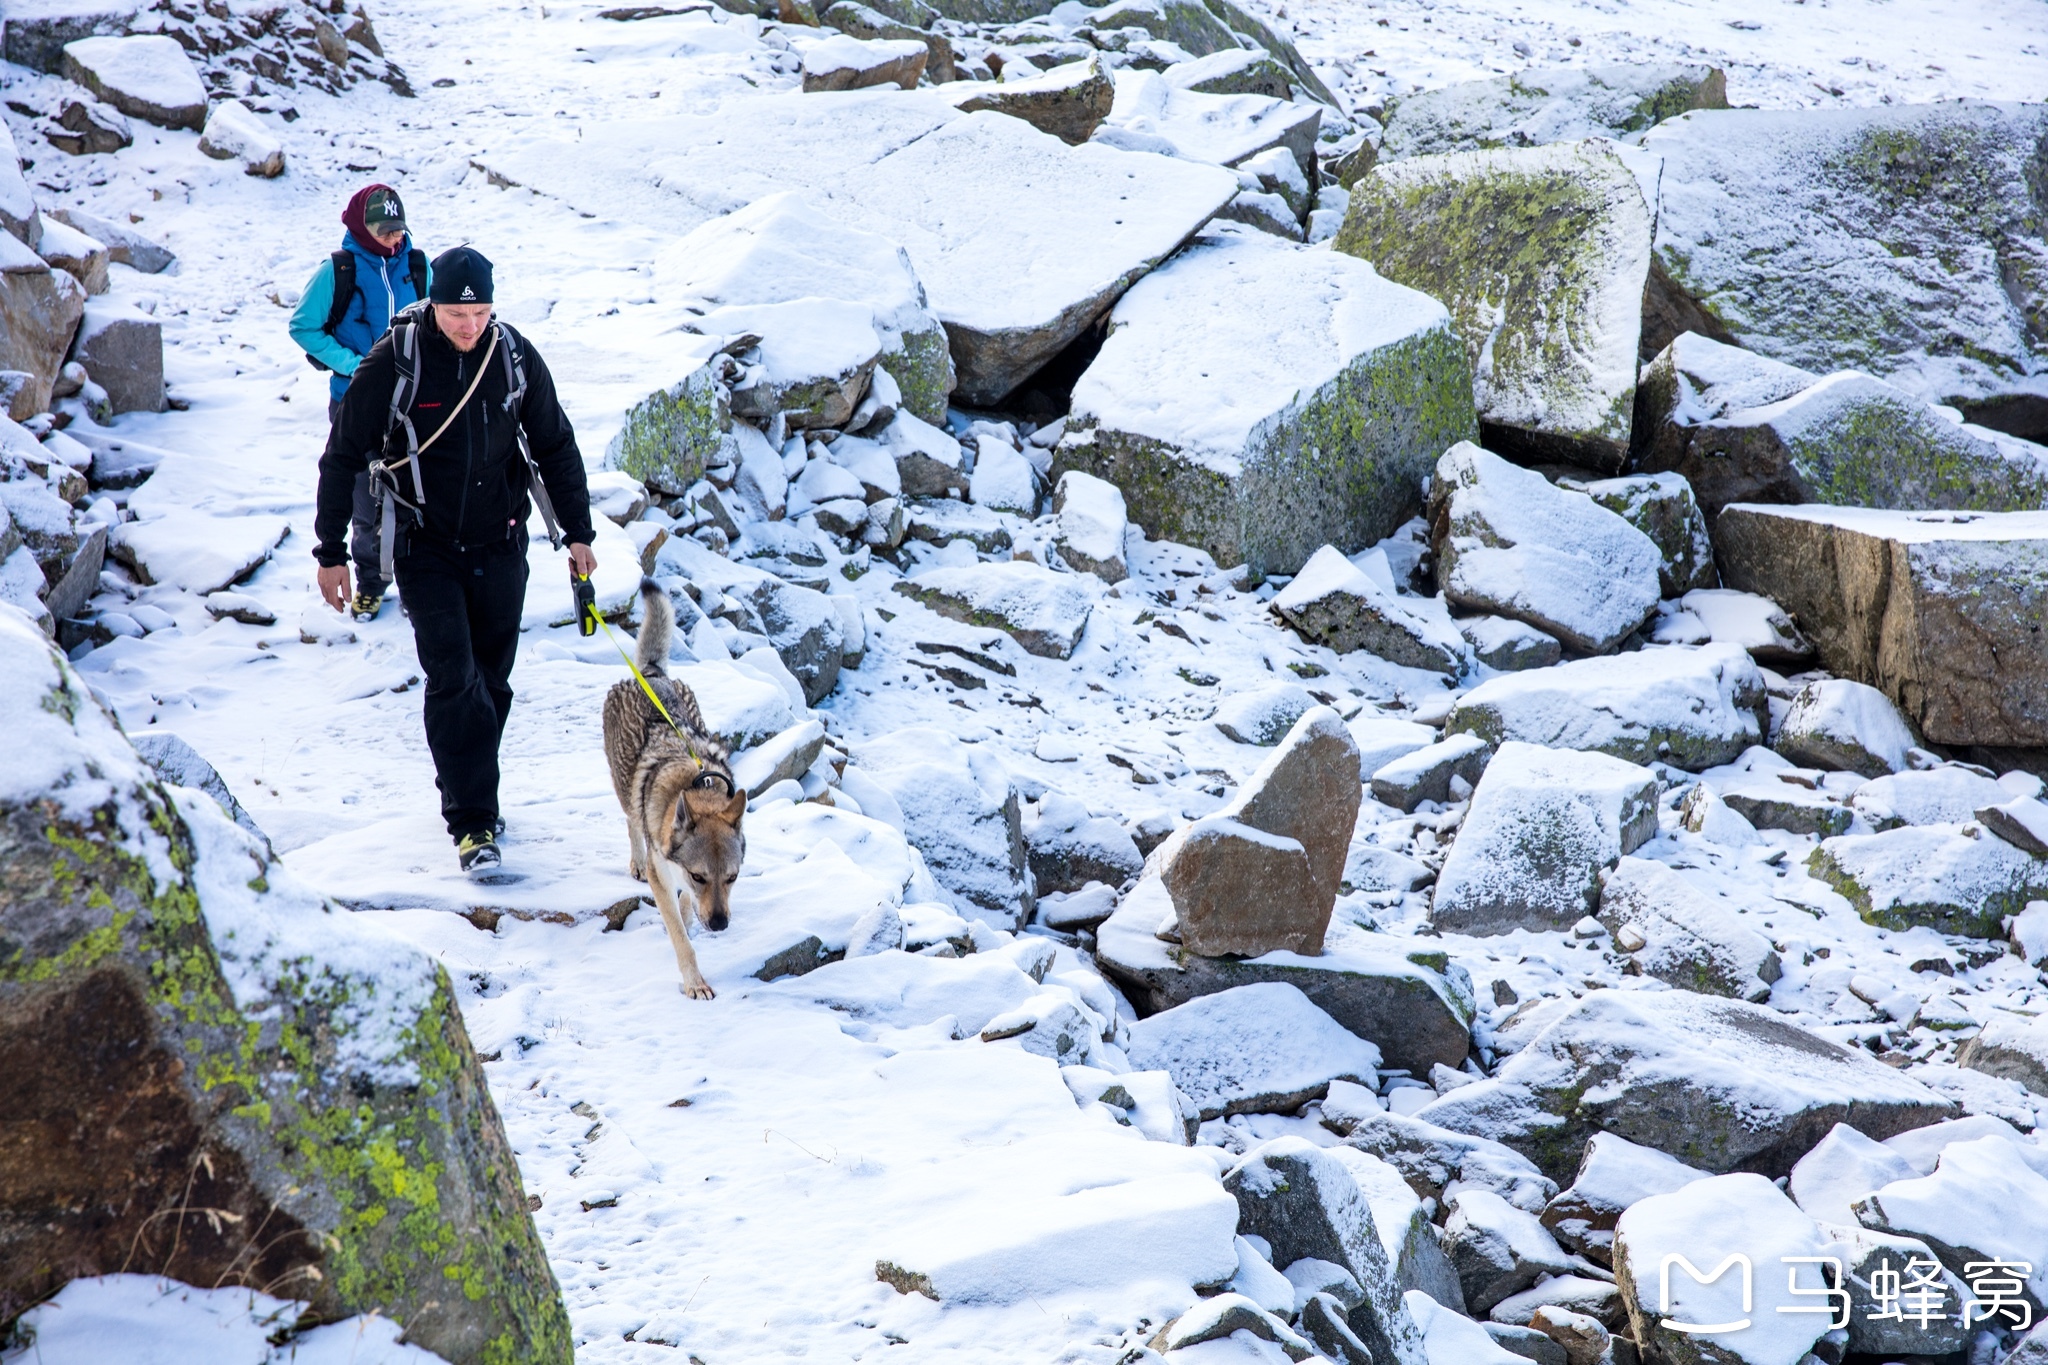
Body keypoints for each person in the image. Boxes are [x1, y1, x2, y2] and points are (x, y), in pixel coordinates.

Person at [312, 246, 597, 876]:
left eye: (480, 313)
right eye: (455, 314)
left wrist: (579, 532)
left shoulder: (515, 357)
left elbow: (555, 442)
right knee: (453, 680)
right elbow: (342, 455)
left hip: (502, 541)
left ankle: (471, 793)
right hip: (425, 545)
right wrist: (331, 552)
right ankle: (472, 825)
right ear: (434, 303)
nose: (468, 326)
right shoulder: (396, 360)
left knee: (492, 685)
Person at [289, 183, 430, 622]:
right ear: (362, 229)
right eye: (384, 232)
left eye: (398, 230)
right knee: (367, 505)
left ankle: (418, 584)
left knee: (420, 499)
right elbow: (303, 327)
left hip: (413, 407)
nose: (394, 239)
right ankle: (371, 582)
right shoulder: (339, 270)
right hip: (356, 406)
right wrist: (353, 365)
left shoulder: (418, 265)